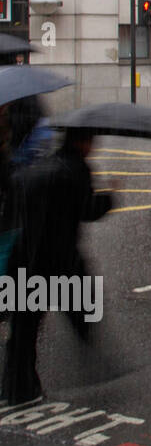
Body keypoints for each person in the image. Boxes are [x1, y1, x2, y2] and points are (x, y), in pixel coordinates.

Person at [1, 128, 114, 405]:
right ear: (82, 142)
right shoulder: (76, 169)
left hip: (25, 255)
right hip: (55, 258)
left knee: (24, 329)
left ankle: (16, 388)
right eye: (91, 142)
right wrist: (110, 195)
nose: (93, 147)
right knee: (79, 306)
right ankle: (97, 365)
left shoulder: (44, 164)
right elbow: (88, 210)